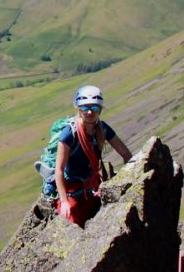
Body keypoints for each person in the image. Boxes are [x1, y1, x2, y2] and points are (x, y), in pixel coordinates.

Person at [54, 85, 132, 227]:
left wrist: (132, 178)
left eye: (94, 108)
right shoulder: (69, 134)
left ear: (100, 109)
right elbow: (59, 170)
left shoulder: (103, 129)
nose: (89, 112)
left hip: (93, 187)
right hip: (72, 191)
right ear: (79, 109)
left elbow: (125, 153)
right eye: (85, 108)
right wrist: (64, 202)